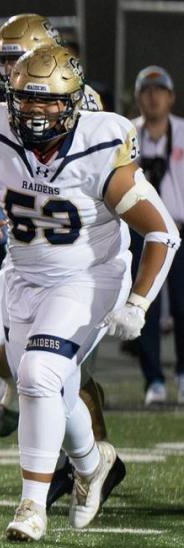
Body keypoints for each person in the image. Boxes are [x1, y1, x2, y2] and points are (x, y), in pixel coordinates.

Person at [0, 45, 178, 541]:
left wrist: (137, 303)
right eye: (26, 99)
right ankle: (94, 464)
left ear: (72, 102)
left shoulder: (99, 147)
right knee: (53, 387)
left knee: (38, 373)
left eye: (48, 101)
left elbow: (162, 233)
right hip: (24, 279)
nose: (36, 111)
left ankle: (31, 506)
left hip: (88, 277)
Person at [131, 66, 184, 407]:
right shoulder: (126, 134)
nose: (154, 96)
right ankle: (153, 379)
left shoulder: (182, 132)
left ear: (171, 97)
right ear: (138, 98)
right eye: (147, 91)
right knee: (141, 308)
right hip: (140, 232)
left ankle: (183, 374)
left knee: (183, 306)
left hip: (180, 230)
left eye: (159, 90)